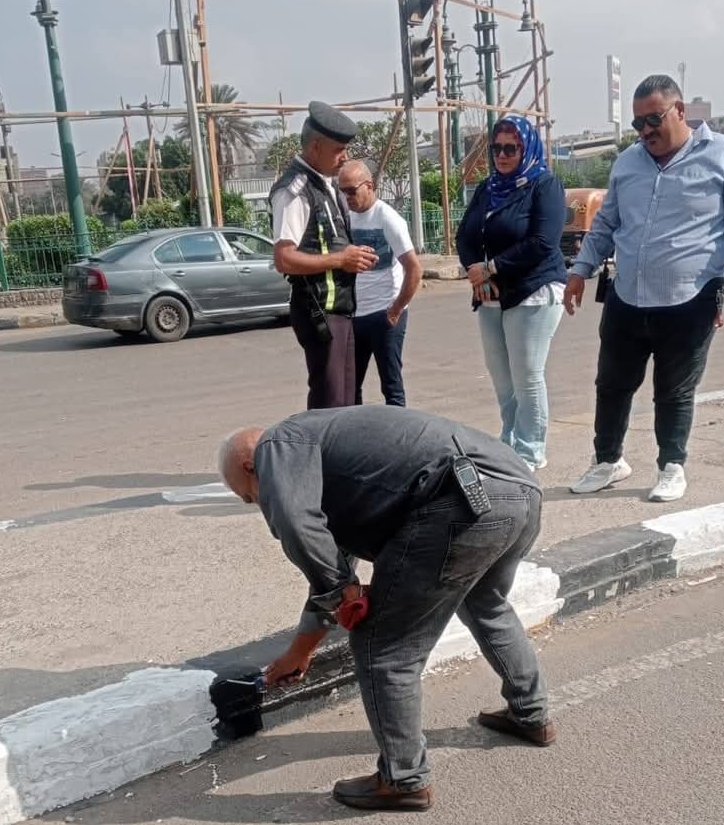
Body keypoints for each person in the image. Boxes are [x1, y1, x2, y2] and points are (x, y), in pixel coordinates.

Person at [218, 406, 554, 812]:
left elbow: (296, 523)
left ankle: (403, 780)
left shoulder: (278, 444)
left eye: (249, 495)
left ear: (248, 465)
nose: (257, 502)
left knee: (385, 649)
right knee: (487, 606)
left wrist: (342, 588)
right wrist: (303, 648)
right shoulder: (330, 458)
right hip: (517, 491)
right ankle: (531, 714)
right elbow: (331, 568)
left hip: (455, 502)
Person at [564, 74, 724, 502]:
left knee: (674, 390)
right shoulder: (628, 163)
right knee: (612, 384)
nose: (645, 131)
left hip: (690, 299)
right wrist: (579, 271)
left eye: (653, 119)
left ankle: (671, 466)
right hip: (627, 295)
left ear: (680, 111)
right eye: (638, 124)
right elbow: (605, 224)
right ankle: (608, 461)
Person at [455, 115, 568, 472]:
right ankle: (511, 440)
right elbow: (465, 235)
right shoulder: (488, 188)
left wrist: (491, 267)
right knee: (501, 375)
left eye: (511, 148)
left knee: (526, 374)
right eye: (497, 148)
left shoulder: (544, 185)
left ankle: (531, 450)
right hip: (491, 293)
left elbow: (542, 242)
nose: (502, 155)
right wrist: (477, 271)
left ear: (526, 148)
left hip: (533, 289)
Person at [270, 101, 378, 409]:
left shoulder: (325, 184)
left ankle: (340, 457)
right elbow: (284, 258)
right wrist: (342, 260)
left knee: (346, 403)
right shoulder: (295, 191)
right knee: (328, 405)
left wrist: (351, 257)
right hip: (320, 312)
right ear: (316, 147)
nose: (345, 157)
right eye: (338, 149)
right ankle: (318, 457)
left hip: (339, 310)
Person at [337, 160, 423, 406]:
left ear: (369, 186)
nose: (347, 197)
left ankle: (398, 440)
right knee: (350, 386)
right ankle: (354, 438)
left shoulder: (388, 219)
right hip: (354, 315)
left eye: (351, 191)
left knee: (391, 386)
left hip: (384, 314)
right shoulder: (345, 218)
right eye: (341, 192)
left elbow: (414, 269)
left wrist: (396, 309)